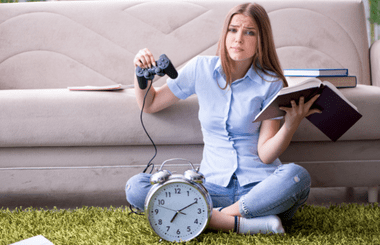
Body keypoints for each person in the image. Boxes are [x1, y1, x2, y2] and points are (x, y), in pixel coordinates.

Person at [126, 2, 321, 235]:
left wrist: (291, 125)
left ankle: (207, 217)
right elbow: (150, 103)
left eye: (249, 32)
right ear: (225, 33)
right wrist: (140, 71)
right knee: (136, 187)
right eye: (233, 29)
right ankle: (245, 224)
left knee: (297, 176)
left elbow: (266, 154)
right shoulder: (201, 68)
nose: (238, 38)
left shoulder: (271, 82)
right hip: (210, 187)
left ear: (261, 40)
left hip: (258, 189)